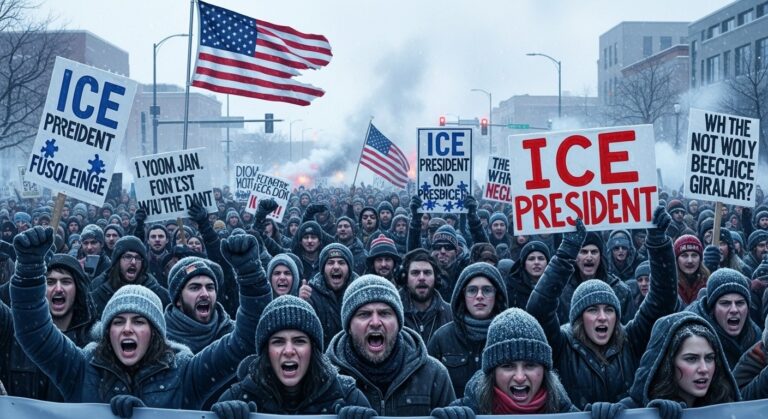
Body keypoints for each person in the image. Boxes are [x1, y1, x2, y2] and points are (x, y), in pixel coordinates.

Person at [9, 226, 271, 416]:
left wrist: (250, 275)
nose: (127, 329)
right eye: (118, 321)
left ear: (156, 331)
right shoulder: (82, 368)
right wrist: (30, 272)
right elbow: (36, 334)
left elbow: (245, 339)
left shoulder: (184, 372)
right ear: (107, 330)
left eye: (139, 322)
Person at [526, 207, 678, 409]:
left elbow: (663, 298)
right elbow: (538, 309)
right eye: (592, 310)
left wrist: (658, 242)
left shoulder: (630, 340)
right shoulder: (562, 345)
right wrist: (566, 253)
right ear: (578, 317)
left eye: (609, 310)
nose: (602, 317)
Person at [210, 295, 371, 419]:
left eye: (299, 341)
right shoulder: (238, 396)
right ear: (266, 350)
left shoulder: (348, 396)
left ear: (313, 349)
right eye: (278, 342)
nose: (288, 351)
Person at [326, 275, 456, 416]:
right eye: (364, 314)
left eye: (384, 313)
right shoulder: (327, 379)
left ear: (399, 323)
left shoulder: (434, 374)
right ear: (349, 327)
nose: (375, 322)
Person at [594, 312, 740, 419]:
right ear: (667, 364)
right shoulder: (631, 410)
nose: (704, 369)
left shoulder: (727, 408)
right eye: (691, 359)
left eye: (709, 358)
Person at [0, 254, 96, 401]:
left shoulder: (95, 342)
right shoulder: (13, 330)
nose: (58, 289)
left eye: (66, 281)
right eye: (50, 282)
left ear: (78, 289)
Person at [451, 308, 578, 414]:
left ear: (544, 369)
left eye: (530, 365)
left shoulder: (565, 412)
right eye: (508, 366)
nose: (520, 377)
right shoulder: (467, 411)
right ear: (492, 372)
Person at [428, 262, 509, 398]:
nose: (479, 296)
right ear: (462, 295)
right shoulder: (442, 337)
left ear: (497, 295)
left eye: (487, 290)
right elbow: (428, 387)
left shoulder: (509, 336)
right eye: (472, 290)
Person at [685, 268, 760, 369]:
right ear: (712, 309)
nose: (734, 310)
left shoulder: (755, 336)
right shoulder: (692, 336)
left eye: (740, 303)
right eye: (725, 303)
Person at [89, 235, 170, 317]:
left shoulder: (158, 294)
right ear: (117, 261)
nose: (133, 262)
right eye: (128, 257)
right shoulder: (97, 293)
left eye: (138, 258)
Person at [304, 243, 358, 348]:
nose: (336, 267)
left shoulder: (359, 292)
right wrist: (303, 304)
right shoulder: (311, 293)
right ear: (323, 270)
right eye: (330, 263)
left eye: (341, 263)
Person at [397, 249, 452, 345]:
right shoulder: (393, 313)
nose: (422, 278)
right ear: (405, 278)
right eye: (415, 273)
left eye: (427, 273)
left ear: (436, 278)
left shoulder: (450, 315)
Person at [506, 241, 550, 309]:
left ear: (547, 263)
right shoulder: (512, 290)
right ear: (524, 264)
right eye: (531, 259)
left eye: (541, 258)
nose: (536, 262)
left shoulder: (557, 287)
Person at [674, 235, 709, 307]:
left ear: (700, 259)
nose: (690, 261)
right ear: (676, 260)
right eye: (684, 255)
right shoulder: (670, 285)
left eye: (694, 255)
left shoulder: (708, 283)